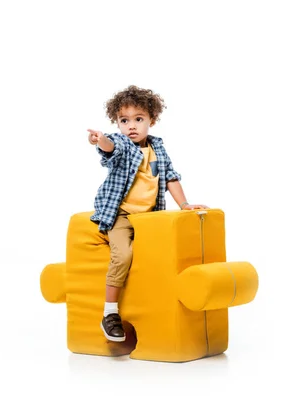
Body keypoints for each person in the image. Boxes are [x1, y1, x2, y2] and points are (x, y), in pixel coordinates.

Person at [87, 85, 208, 342]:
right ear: (117, 123)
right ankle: (109, 313)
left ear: (151, 120)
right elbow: (110, 148)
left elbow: (170, 178)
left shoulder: (158, 148)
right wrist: (101, 139)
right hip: (120, 214)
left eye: (138, 119)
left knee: (155, 259)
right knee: (123, 255)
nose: (131, 126)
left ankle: (155, 307)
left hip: (148, 217)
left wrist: (184, 204)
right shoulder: (121, 142)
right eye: (124, 120)